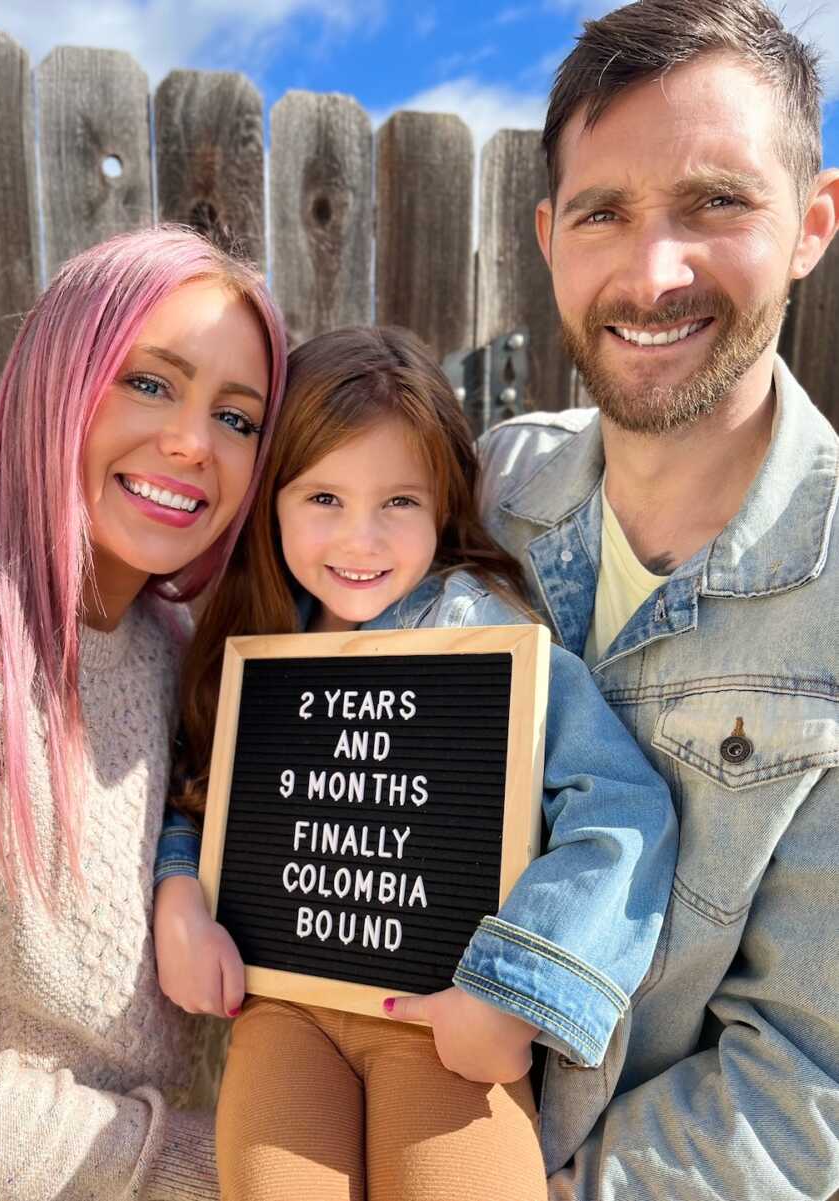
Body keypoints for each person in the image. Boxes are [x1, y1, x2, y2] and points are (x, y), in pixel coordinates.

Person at [152, 324, 677, 1201]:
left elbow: (621, 808)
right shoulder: (257, 643)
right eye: (322, 498)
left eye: (398, 501)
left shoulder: (485, 642)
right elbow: (201, 795)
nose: (361, 540)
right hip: (286, 1004)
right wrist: (180, 896)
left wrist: (515, 991)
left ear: (443, 503)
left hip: (440, 1013)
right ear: (270, 500)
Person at [476, 2, 839, 1198]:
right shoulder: (477, 497)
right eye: (604, 213)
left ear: (812, 224)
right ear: (547, 235)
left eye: (716, 203)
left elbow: (804, 1085)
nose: (652, 271)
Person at [0, 224, 287, 1201]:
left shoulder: (186, 658)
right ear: (62, 377)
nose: (191, 441)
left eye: (238, 416)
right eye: (149, 381)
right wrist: (224, 1176)